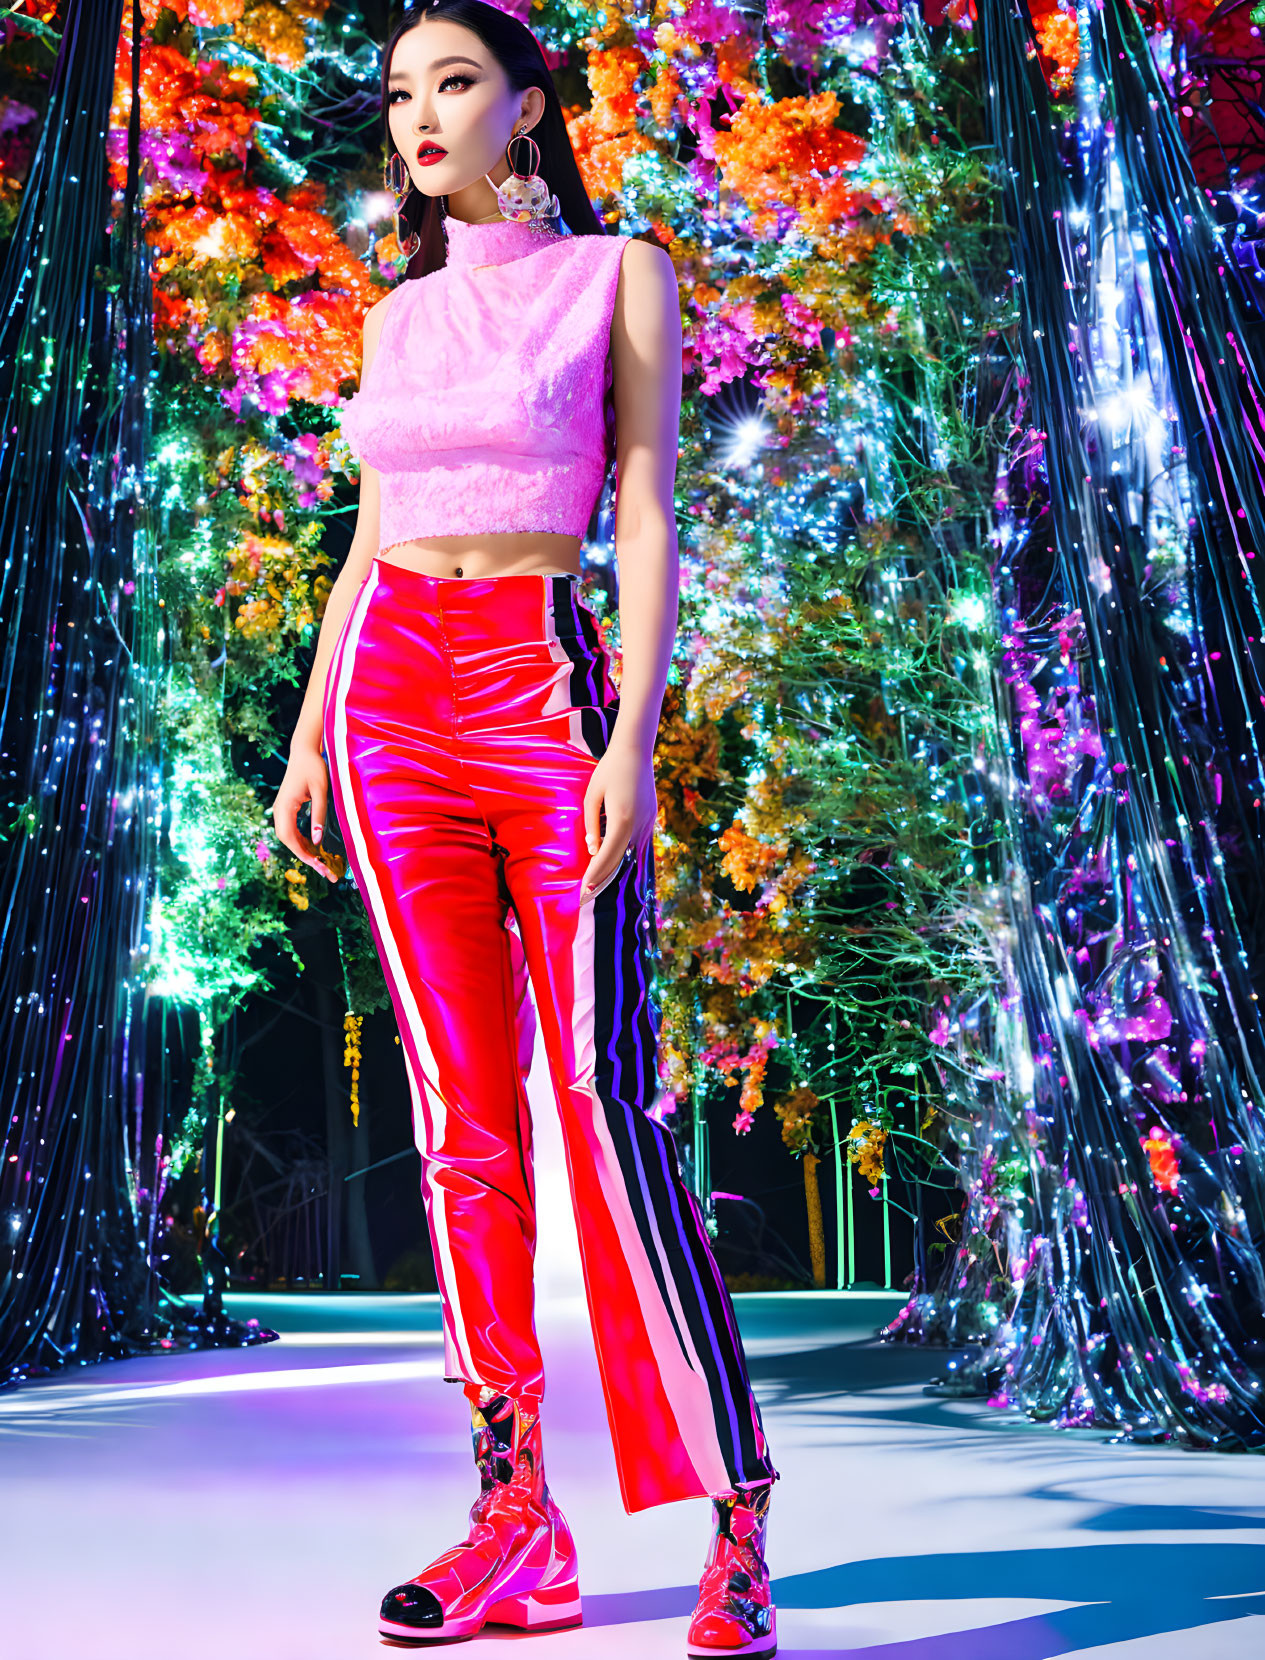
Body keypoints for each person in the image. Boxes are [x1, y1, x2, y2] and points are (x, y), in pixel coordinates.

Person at [272, 3, 777, 1652]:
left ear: (528, 105)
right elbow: (369, 537)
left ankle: (730, 1515)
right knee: (456, 1123)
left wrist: (633, 725)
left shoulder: (618, 270)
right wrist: (306, 732)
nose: (422, 115)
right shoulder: (398, 313)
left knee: (603, 1100)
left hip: (543, 690)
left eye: (458, 82)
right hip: (391, 700)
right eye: (405, 91)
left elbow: (641, 504)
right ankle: (514, 1518)